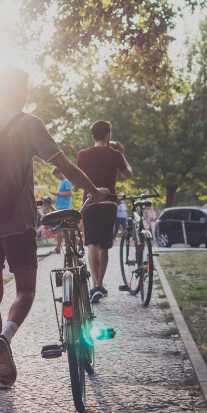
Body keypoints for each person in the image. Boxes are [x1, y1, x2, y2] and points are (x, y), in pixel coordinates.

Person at [0, 67, 107, 389]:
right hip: (19, 220)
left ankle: (2, 370)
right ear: (23, 92)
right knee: (25, 291)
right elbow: (64, 166)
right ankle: (6, 336)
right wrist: (94, 192)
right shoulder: (29, 124)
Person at [76, 120, 133, 303]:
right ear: (108, 135)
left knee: (92, 243)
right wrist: (122, 155)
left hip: (90, 203)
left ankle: (94, 286)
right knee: (105, 245)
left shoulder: (82, 154)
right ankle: (100, 284)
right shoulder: (115, 154)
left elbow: (78, 177)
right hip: (109, 203)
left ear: (93, 135)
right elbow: (129, 174)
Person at [51, 168, 73, 253]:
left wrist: (57, 193)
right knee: (63, 229)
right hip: (59, 208)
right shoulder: (61, 183)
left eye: (56, 175)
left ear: (60, 173)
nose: (56, 177)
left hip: (64, 207)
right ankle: (76, 241)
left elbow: (69, 193)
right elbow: (59, 196)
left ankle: (58, 248)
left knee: (60, 229)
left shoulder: (66, 181)